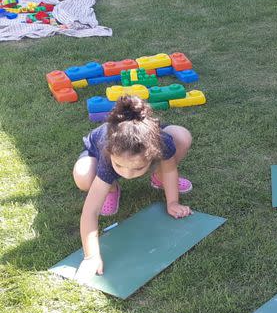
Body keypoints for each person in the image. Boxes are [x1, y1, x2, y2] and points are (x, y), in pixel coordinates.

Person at [72, 96, 193, 280]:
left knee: (182, 136)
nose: (128, 174)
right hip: (96, 154)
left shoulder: (162, 142)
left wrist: (173, 202)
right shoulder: (106, 157)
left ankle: (157, 178)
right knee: (83, 176)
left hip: (146, 142)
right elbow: (90, 212)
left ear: (153, 155)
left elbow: (170, 170)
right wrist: (91, 257)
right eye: (120, 166)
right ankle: (110, 189)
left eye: (137, 168)